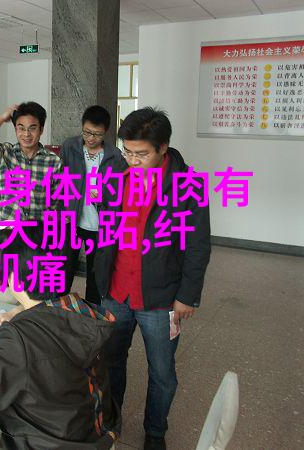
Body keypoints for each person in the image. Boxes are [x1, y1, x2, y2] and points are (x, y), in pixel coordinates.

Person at [94, 107, 211, 450]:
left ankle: (155, 432)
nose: (132, 160)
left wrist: (187, 296)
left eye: (141, 154)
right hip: (116, 291)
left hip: (160, 298)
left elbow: (198, 246)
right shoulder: (116, 174)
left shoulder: (189, 186)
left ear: (162, 147)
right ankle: (111, 420)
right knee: (111, 362)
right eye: (127, 152)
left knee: (162, 372)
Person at [0, 226, 120, 450]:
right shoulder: (80, 310)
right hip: (96, 434)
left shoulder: (19, 337)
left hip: (55, 443)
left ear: (14, 279)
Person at [60, 106, 121, 305]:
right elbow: (60, 179)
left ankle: (92, 312)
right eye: (87, 132)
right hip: (72, 221)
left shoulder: (115, 156)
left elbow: (119, 191)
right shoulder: (70, 147)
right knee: (64, 268)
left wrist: (104, 195)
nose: (91, 138)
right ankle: (58, 308)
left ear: (106, 132)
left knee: (95, 273)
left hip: (98, 226)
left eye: (97, 134)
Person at [0, 102, 62, 221]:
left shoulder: (54, 161)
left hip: (39, 229)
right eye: (21, 128)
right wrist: (1, 118)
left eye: (32, 128)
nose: (26, 134)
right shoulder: (6, 153)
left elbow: (57, 202)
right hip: (10, 227)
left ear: (41, 130)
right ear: (15, 129)